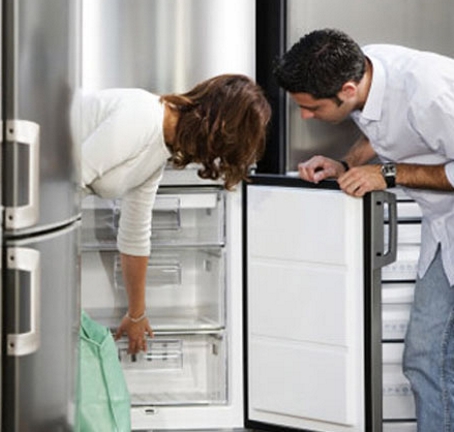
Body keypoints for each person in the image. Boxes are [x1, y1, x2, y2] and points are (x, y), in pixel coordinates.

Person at [274, 28, 454, 431]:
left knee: (433, 357)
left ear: (349, 89)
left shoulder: (431, 91)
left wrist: (387, 174)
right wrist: (348, 165)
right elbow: (383, 126)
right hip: (444, 226)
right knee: (426, 356)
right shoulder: (364, 65)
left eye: (312, 108)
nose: (304, 116)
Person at [78, 74, 271, 354]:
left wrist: (137, 315)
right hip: (18, 169)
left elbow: (135, 234)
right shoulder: (143, 117)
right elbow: (67, 181)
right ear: (219, 128)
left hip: (39, 205)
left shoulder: (160, 148)